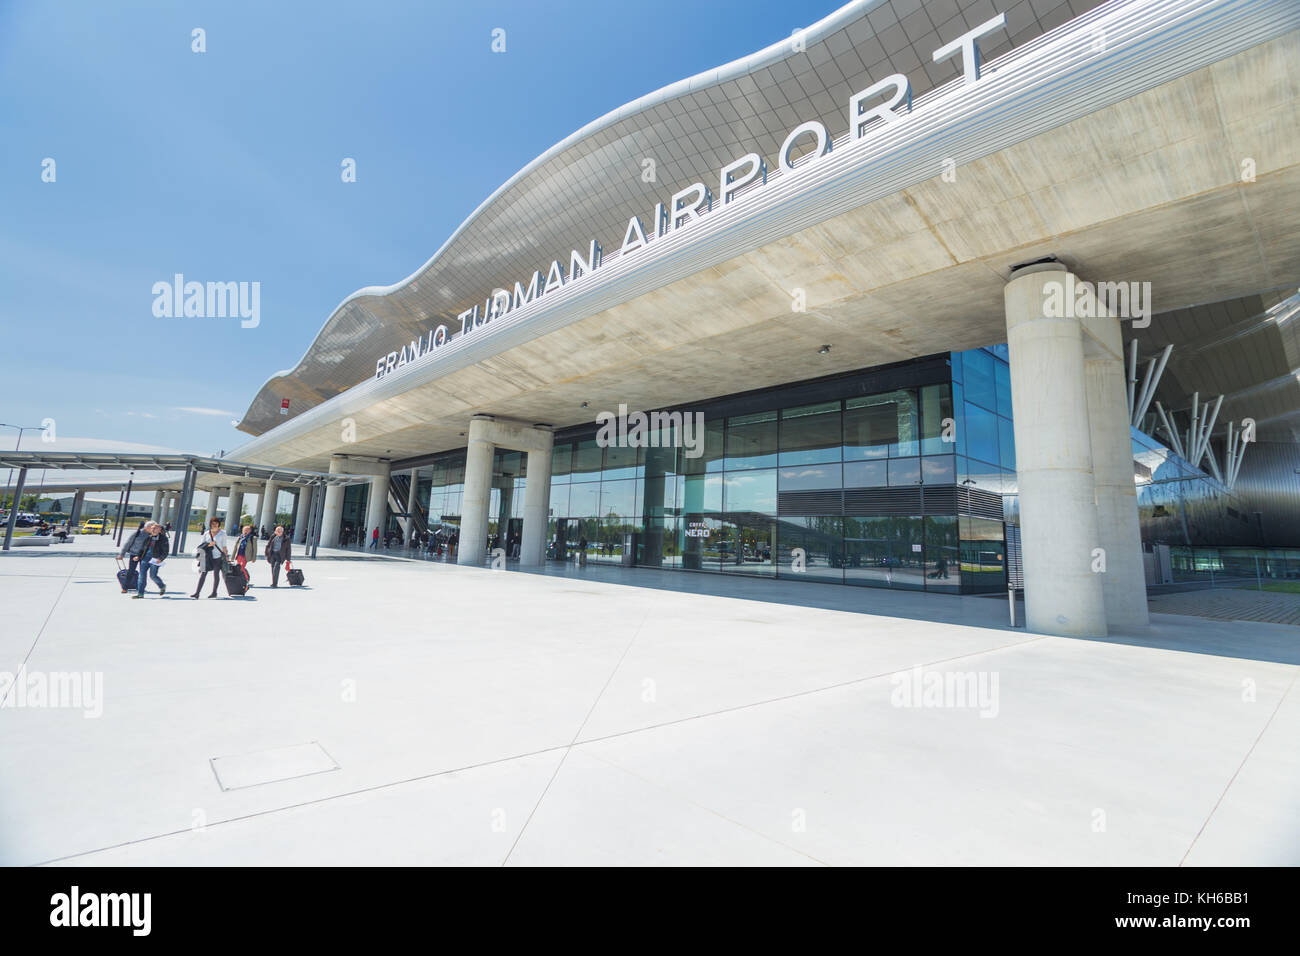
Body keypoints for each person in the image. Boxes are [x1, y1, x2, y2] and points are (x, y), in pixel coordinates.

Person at [191, 517, 228, 598]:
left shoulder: (222, 533)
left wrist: (226, 556)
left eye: (216, 523)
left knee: (216, 574)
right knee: (203, 574)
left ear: (219, 524)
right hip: (206, 556)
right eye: (213, 523)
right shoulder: (207, 533)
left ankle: (214, 592)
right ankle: (197, 593)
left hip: (217, 556)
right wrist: (209, 544)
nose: (214, 525)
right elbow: (201, 545)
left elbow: (224, 546)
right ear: (210, 524)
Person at [132, 522, 169, 598]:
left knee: (153, 576)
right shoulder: (148, 537)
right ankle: (140, 593)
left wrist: (161, 558)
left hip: (155, 559)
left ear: (159, 530)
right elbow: (142, 548)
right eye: (152, 528)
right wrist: (138, 556)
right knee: (142, 576)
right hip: (145, 559)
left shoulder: (163, 539)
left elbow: (165, 551)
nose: (153, 530)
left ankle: (162, 586)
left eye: (155, 528)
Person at [118, 520, 149, 592]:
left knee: (143, 572)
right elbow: (127, 544)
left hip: (145, 555)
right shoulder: (137, 533)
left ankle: (141, 587)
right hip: (134, 554)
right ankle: (125, 587)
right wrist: (122, 554)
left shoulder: (151, 535)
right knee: (131, 571)